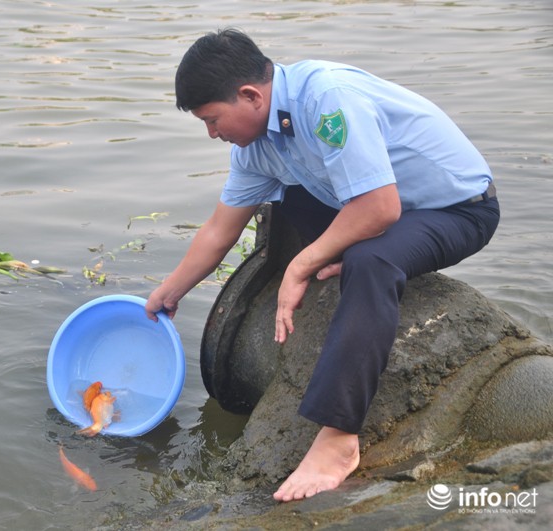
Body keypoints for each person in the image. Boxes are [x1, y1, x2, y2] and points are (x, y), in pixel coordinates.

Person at [144, 28, 500, 502]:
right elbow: (219, 229)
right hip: (390, 209)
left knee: (370, 258)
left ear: (250, 95)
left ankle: (338, 439)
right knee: (287, 194)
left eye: (213, 119)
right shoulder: (255, 147)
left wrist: (302, 265)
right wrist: (169, 293)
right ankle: (340, 267)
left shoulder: (327, 100)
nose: (213, 134)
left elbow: (379, 209)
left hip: (457, 209)